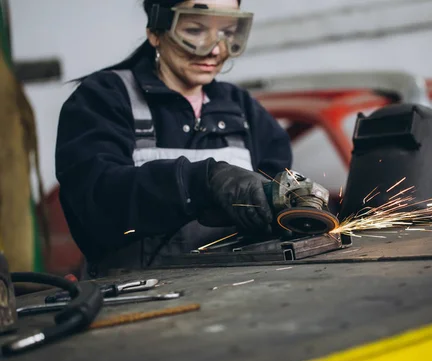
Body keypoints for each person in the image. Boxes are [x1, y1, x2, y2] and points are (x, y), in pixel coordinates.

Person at [55, 0, 293, 277]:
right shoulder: (104, 98)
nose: (215, 49)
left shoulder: (242, 108)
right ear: (156, 31)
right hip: (136, 298)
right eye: (194, 30)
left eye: (228, 32)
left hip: (238, 290)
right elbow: (96, 200)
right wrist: (201, 183)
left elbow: (277, 191)